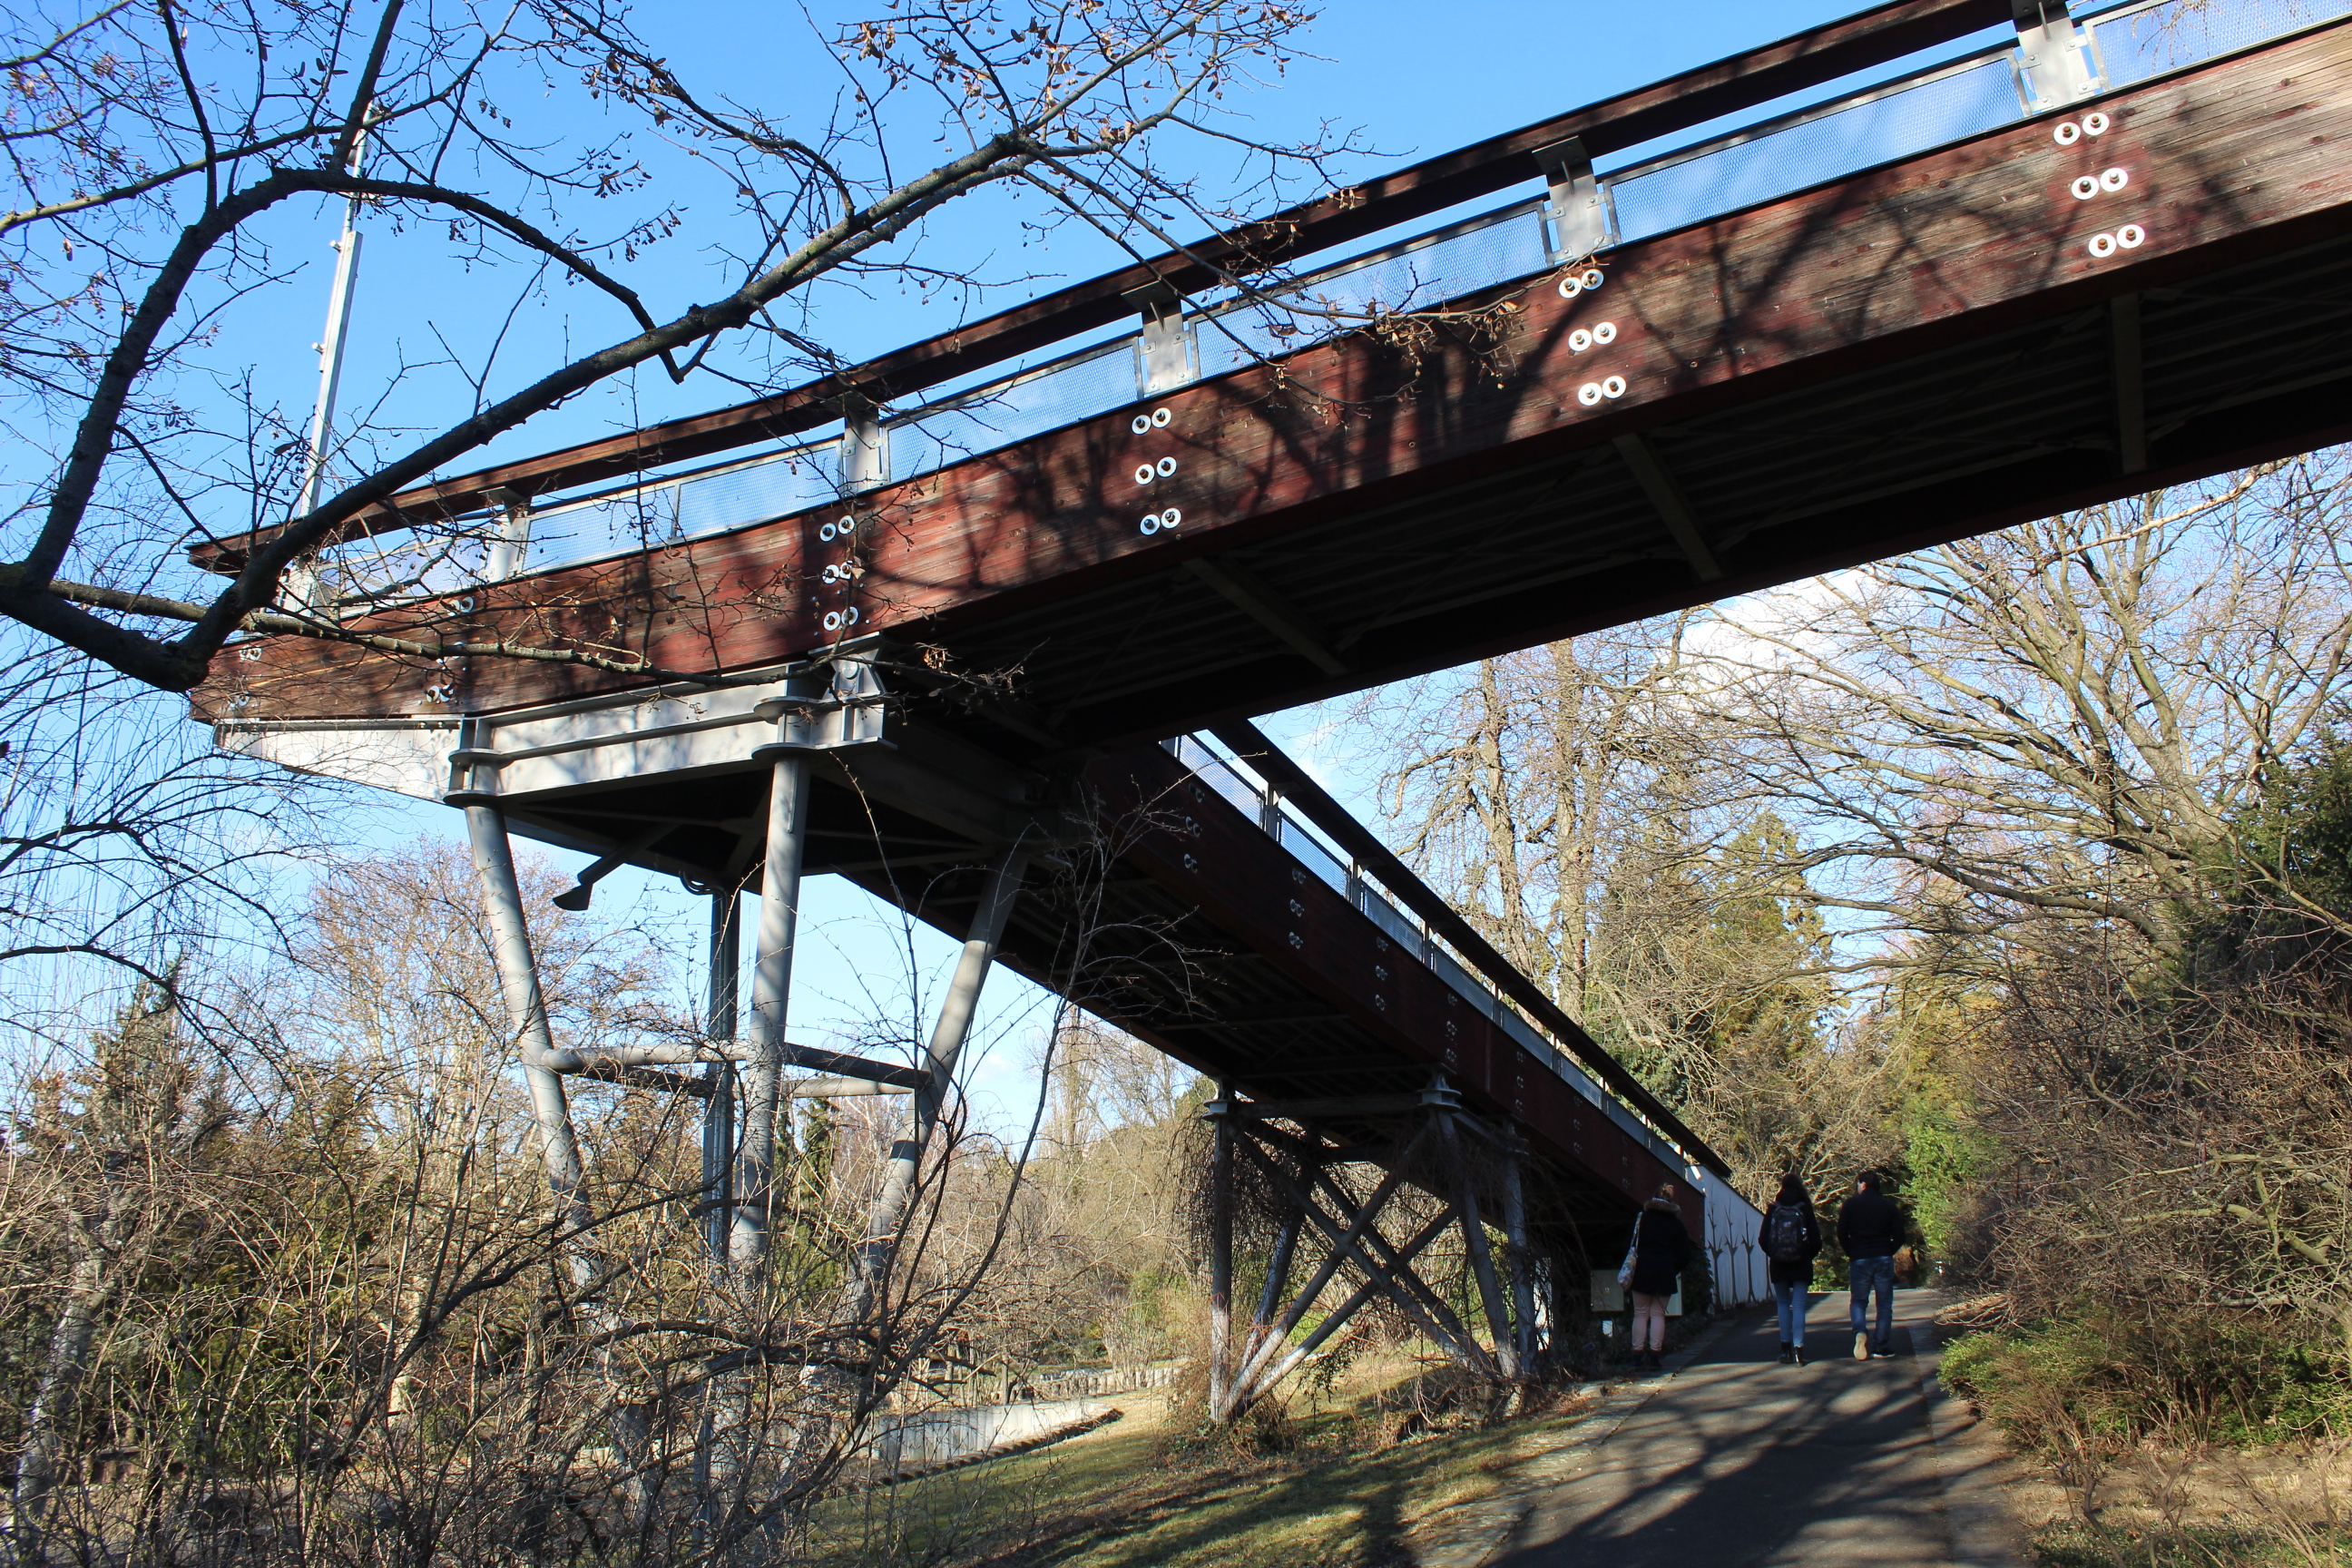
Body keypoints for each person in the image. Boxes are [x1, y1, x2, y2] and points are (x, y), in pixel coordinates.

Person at [1625, 1181, 1695, 1372]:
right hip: (1665, 1273)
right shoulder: (1676, 1224)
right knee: (1658, 1315)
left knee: (1640, 1314)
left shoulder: (1642, 1219)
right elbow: (1686, 1255)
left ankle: (1636, 1356)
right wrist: (1673, 1268)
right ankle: (1654, 1357)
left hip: (1641, 1272)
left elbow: (1628, 1244)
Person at [1838, 1170, 1907, 1359]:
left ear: (1862, 1184)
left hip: (1860, 1258)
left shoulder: (1850, 1205)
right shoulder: (1888, 1206)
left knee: (1859, 1301)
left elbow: (1841, 1233)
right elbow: (1900, 1235)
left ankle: (1860, 1331)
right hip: (1883, 1256)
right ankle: (1881, 1346)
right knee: (1884, 1304)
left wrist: (1851, 1252)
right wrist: (1888, 1249)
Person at [1758, 1172, 1822, 1365]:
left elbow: (1763, 1239)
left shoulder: (1773, 1207)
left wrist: (1776, 1254)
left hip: (1779, 1264)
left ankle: (1785, 1349)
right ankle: (1799, 1350)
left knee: (1783, 1304)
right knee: (1800, 1305)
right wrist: (1805, 1255)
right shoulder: (1804, 1208)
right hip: (1801, 1263)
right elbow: (1817, 1240)